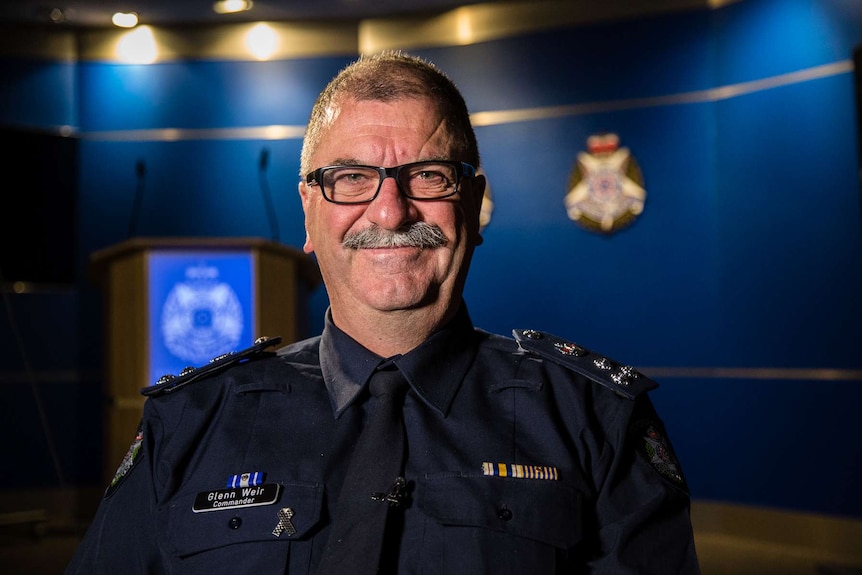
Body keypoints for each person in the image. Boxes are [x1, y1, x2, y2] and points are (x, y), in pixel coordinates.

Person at [65, 50, 700, 574]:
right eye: (350, 177)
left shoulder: (595, 420)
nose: (391, 213)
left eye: (429, 176)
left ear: (473, 204)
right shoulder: (190, 423)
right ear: (309, 212)